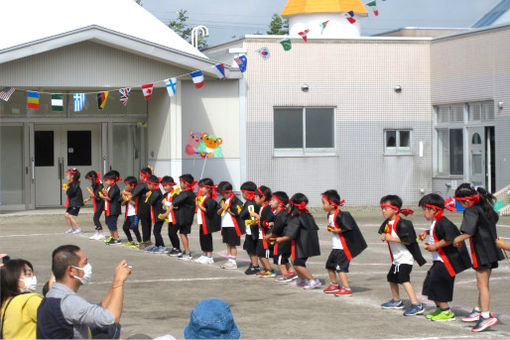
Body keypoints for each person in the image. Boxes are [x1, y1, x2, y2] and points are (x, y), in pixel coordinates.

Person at [37, 245, 131, 339]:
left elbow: (101, 308)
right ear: (71, 270)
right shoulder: (68, 301)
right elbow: (112, 318)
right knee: (113, 329)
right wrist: (119, 281)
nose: (88, 267)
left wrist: (115, 282)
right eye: (84, 263)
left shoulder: (52, 295)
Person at [452, 184, 504, 332]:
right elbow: (494, 219)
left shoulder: (471, 210)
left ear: (466, 202)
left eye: (460, 202)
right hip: (491, 249)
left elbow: (469, 231)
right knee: (483, 284)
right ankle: (479, 309)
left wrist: (457, 239)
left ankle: (485, 316)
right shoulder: (485, 206)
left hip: (481, 250)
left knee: (482, 285)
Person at [417, 193, 472, 322]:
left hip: (446, 261)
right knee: (430, 283)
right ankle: (440, 309)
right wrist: (427, 232)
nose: (424, 212)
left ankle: (446, 311)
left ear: (434, 210)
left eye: (425, 209)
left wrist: (435, 245)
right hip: (439, 260)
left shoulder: (444, 222)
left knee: (439, 284)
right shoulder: (436, 222)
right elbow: (438, 231)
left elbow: (450, 238)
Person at [378, 195, 426, 316]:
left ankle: (416, 304)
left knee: (404, 278)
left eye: (386, 208)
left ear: (395, 209)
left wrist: (391, 238)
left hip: (406, 256)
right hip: (396, 258)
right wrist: (384, 235)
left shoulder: (404, 224)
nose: (383, 210)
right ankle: (396, 301)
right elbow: (384, 232)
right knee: (391, 278)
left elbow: (409, 241)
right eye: (382, 208)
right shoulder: (387, 222)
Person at [321, 190, 367, 297]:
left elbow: (348, 227)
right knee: (329, 265)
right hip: (336, 246)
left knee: (340, 268)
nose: (322, 205)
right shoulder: (330, 215)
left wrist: (338, 230)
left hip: (343, 247)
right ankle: (334, 284)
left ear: (332, 205)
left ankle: (346, 288)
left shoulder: (342, 215)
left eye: (324, 203)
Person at [277, 193, 321, 289]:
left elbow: (290, 233)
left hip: (303, 243)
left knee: (297, 263)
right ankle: (302, 279)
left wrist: (280, 239)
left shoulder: (296, 217)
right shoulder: (307, 214)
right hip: (309, 242)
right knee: (295, 260)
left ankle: (313, 280)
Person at [0, 259, 43, 339]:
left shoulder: (6, 303)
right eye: (28, 274)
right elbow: (53, 321)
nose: (32, 278)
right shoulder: (31, 300)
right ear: (12, 278)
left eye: (32, 274)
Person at [263, 191, 295, 282]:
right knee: (283, 257)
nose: (270, 202)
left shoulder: (281, 215)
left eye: (273, 200)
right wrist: (273, 223)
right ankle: (291, 273)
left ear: (280, 204)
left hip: (282, 240)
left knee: (279, 258)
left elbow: (277, 230)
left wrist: (268, 236)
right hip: (286, 240)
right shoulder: (281, 213)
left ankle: (286, 275)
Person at [217, 181, 244, 270]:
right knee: (228, 243)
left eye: (223, 194)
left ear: (229, 192)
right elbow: (218, 212)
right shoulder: (223, 200)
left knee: (233, 244)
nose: (222, 196)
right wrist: (222, 207)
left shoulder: (236, 200)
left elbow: (236, 212)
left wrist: (227, 208)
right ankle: (229, 260)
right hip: (225, 224)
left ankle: (233, 262)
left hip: (233, 225)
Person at [194, 178, 221, 264]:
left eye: (203, 187)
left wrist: (199, 206)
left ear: (209, 189)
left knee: (207, 238)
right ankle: (204, 254)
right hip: (202, 222)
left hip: (207, 222)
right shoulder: (202, 198)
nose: (201, 189)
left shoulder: (209, 200)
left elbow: (209, 211)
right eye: (200, 187)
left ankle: (209, 256)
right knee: (202, 238)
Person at [170, 174, 197, 260]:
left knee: (183, 234)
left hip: (185, 217)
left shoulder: (186, 193)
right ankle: (186, 251)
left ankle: (187, 252)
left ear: (186, 184)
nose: (180, 184)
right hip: (186, 217)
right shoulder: (190, 193)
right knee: (182, 234)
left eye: (181, 182)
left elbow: (175, 201)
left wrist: (176, 194)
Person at [250, 186, 275, 277]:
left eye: (256, 197)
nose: (254, 198)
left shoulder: (267, 208)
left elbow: (267, 222)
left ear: (263, 198)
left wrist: (256, 216)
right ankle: (266, 269)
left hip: (265, 236)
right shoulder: (262, 207)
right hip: (261, 234)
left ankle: (269, 270)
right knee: (260, 253)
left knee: (263, 254)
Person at [239, 181, 261, 275]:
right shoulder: (257, 202)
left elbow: (242, 215)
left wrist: (241, 210)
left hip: (251, 229)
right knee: (252, 248)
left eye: (242, 193)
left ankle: (255, 266)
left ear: (246, 193)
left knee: (251, 249)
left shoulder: (249, 202)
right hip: (256, 227)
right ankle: (254, 264)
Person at [132, 167, 153, 249]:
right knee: (148, 223)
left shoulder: (143, 184)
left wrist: (129, 194)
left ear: (144, 176)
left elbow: (134, 192)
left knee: (145, 224)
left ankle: (145, 241)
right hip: (148, 207)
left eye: (141, 175)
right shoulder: (150, 184)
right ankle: (148, 240)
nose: (139, 177)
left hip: (143, 207)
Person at [158, 176, 180, 253]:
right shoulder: (165, 194)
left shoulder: (176, 194)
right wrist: (163, 205)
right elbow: (164, 206)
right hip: (170, 217)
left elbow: (176, 205)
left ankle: (177, 248)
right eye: (163, 186)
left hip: (176, 216)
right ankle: (174, 248)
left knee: (173, 233)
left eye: (166, 185)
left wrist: (165, 203)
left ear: (172, 185)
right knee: (170, 233)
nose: (165, 187)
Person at [99, 171, 122, 245]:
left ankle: (116, 238)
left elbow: (109, 198)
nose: (105, 182)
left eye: (106, 180)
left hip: (113, 209)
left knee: (112, 224)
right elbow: (108, 195)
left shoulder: (115, 188)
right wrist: (104, 193)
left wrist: (103, 196)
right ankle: (113, 237)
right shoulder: (109, 187)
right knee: (108, 223)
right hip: (108, 208)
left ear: (112, 180)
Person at [144, 175, 166, 253]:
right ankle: (157, 245)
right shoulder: (154, 191)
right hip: (156, 214)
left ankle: (162, 246)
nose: (148, 186)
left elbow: (150, 202)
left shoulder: (156, 192)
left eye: (149, 184)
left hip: (159, 215)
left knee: (156, 231)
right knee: (156, 231)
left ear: (153, 184)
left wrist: (148, 196)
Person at [121, 176, 142, 248]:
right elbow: (122, 204)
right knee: (125, 227)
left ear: (132, 185)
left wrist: (128, 199)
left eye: (127, 185)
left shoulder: (136, 193)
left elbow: (135, 203)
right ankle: (130, 241)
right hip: (128, 214)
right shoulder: (127, 193)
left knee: (134, 227)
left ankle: (139, 242)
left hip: (135, 213)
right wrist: (125, 199)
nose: (126, 186)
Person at [85, 171, 106, 241]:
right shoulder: (95, 185)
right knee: (95, 218)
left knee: (96, 218)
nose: (89, 181)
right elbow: (94, 195)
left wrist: (91, 193)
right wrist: (89, 198)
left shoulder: (99, 185)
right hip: (97, 203)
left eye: (90, 179)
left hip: (100, 203)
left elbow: (98, 197)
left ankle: (101, 233)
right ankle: (97, 233)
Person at [63, 168, 84, 234]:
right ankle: (71, 228)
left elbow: (70, 193)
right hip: (72, 202)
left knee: (69, 215)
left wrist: (66, 190)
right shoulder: (71, 184)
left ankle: (78, 228)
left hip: (76, 203)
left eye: (67, 175)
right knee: (66, 215)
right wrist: (66, 189)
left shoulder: (74, 184)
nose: (66, 176)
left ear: (72, 176)